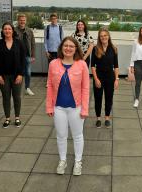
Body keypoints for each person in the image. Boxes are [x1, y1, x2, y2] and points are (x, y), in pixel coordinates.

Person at [46, 36, 89, 176]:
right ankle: (62, 160)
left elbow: (85, 88)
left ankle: (78, 162)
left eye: (71, 46)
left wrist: (85, 109)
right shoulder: (53, 64)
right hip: (58, 108)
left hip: (76, 108)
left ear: (76, 48)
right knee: (61, 136)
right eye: (66, 46)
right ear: (61, 48)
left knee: (77, 136)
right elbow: (50, 86)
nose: (68, 48)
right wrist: (49, 107)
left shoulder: (82, 64)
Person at [0, 22, 25, 128]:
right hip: (3, 76)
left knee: (17, 97)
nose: (7, 31)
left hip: (17, 76)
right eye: (5, 29)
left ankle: (17, 117)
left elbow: (23, 60)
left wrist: (20, 74)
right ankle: (7, 118)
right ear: (2, 31)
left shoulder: (19, 43)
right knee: (6, 97)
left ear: (12, 31)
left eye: (9, 29)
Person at [91, 28, 119, 128]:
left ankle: (107, 117)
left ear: (108, 36)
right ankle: (98, 118)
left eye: (105, 35)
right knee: (98, 98)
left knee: (109, 98)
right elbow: (93, 66)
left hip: (110, 77)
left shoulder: (114, 49)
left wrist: (116, 79)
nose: (103, 37)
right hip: (98, 76)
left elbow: (116, 66)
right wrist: (96, 79)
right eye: (101, 36)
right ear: (99, 37)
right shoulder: (95, 49)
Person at [15, 14, 36, 96]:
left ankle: (27, 88)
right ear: (18, 21)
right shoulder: (14, 30)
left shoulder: (29, 31)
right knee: (17, 72)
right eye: (20, 20)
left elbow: (33, 43)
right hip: (17, 56)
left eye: (23, 20)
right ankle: (16, 88)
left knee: (28, 72)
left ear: (25, 21)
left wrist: (33, 55)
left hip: (27, 55)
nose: (22, 22)